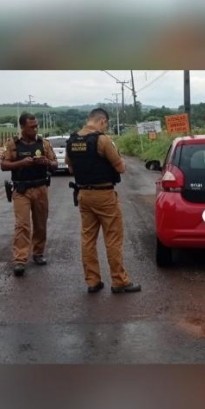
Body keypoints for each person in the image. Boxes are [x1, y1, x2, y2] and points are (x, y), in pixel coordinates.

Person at [65, 108, 141, 294]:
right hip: (104, 195)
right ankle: (119, 281)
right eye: (106, 124)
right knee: (113, 239)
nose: (105, 128)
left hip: (83, 194)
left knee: (88, 239)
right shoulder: (102, 140)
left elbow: (71, 169)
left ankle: (93, 281)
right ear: (102, 121)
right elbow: (121, 167)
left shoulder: (72, 141)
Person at [0, 113, 58, 276]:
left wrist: (46, 162)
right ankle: (20, 259)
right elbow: (3, 164)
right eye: (31, 126)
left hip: (40, 188)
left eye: (36, 126)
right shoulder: (13, 144)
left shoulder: (44, 143)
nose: (35, 129)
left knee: (40, 223)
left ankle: (38, 253)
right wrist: (21, 163)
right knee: (22, 225)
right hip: (21, 190)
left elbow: (55, 164)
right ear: (22, 127)